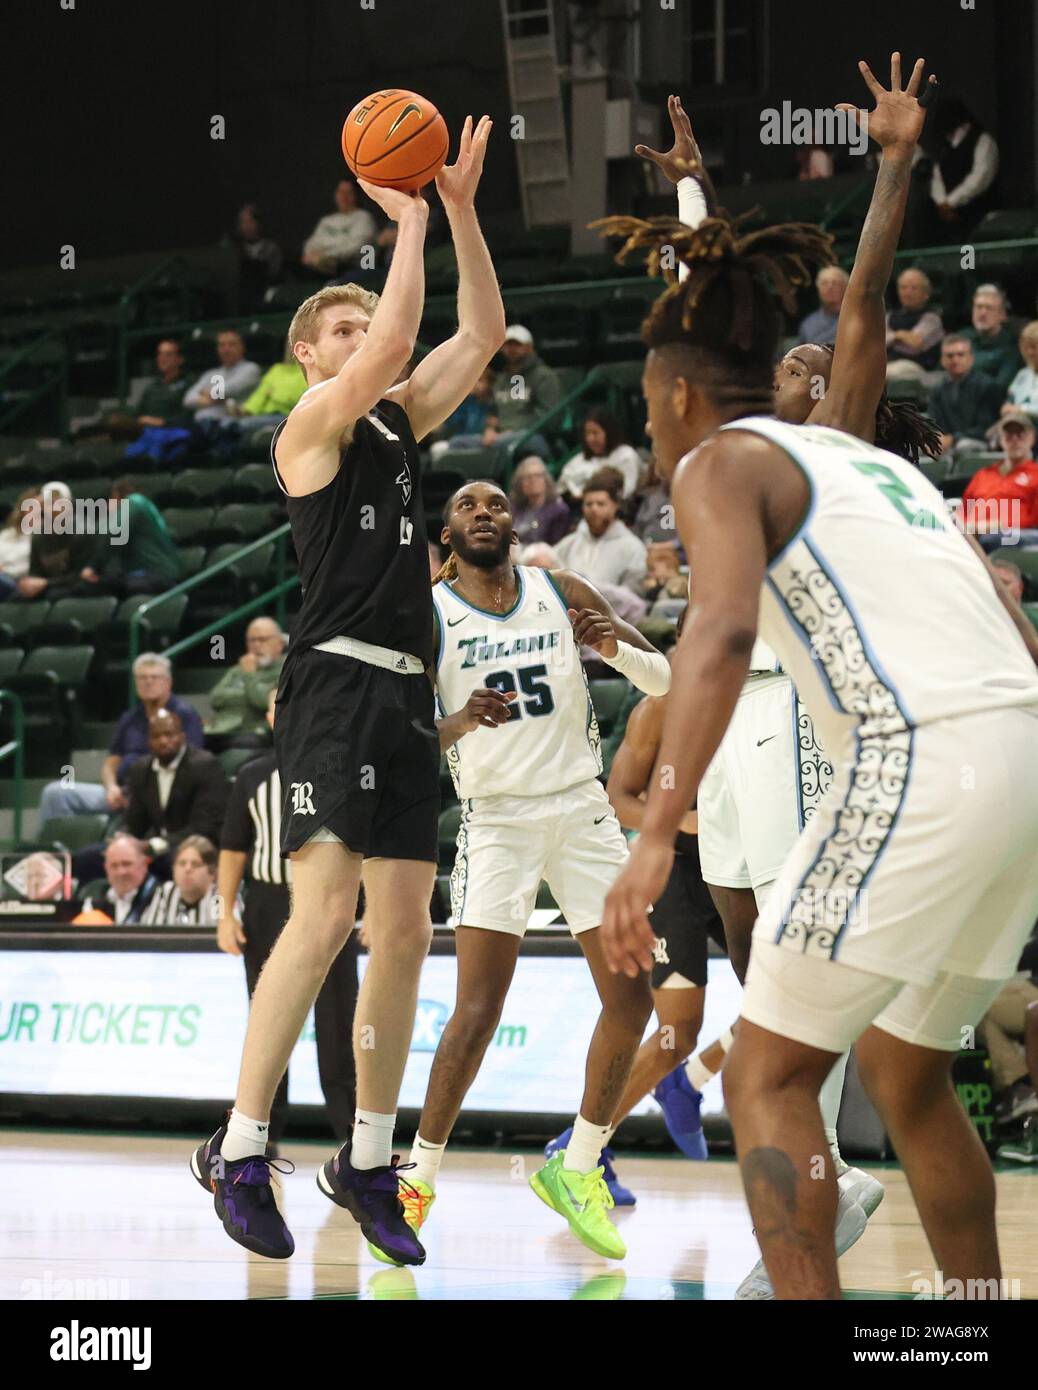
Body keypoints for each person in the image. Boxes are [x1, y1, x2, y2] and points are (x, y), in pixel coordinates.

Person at [599, 95, 1038, 1307]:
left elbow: (722, 632)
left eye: (648, 396)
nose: (648, 415)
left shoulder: (719, 462)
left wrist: (648, 834)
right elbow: (811, 312)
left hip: (918, 756)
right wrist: (886, 167)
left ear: (679, 402)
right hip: (1021, 755)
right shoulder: (857, 458)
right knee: (907, 1075)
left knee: (768, 1079)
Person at [632, 65, 942, 1296]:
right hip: (742, 726)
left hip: (820, 721)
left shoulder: (832, 450)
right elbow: (715, 295)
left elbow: (857, 301)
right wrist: (696, 188)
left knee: (817, 990)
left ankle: (835, 1195)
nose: (805, 370)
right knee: (764, 958)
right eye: (790, 366)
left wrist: (894, 165)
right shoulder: (731, 442)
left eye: (819, 371)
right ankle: (822, 1178)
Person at [189, 114, 506, 1268]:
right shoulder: (310, 427)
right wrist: (410, 218)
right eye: (344, 322)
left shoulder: (399, 426)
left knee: (406, 933)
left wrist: (460, 214)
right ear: (312, 356)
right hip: (331, 686)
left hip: (407, 697)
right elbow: (400, 343)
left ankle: (367, 1156)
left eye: (367, 313)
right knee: (323, 918)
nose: (365, 329)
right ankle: (238, 1141)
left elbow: (480, 330)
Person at [397, 479, 671, 1261]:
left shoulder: (561, 589)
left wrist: (613, 646)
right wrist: (458, 719)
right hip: (498, 820)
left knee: (632, 997)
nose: (483, 512)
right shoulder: (429, 616)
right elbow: (405, 737)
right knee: (477, 1009)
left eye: (494, 504)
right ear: (447, 534)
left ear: (512, 523)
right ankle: (417, 1175)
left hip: (583, 812)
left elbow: (667, 682)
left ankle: (577, 1166)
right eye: (465, 506)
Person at [544, 608, 727, 1200]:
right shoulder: (661, 706)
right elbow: (619, 794)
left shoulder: (757, 696)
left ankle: (689, 1084)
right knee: (678, 1029)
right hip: (674, 871)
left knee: (795, 986)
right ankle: (578, 1148)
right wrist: (683, 820)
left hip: (739, 867)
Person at [217, 686, 358, 1150]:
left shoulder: (338, 768)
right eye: (280, 707)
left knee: (340, 1021)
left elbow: (368, 843)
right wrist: (225, 913)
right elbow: (234, 848)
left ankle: (353, 1138)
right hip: (266, 904)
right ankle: (260, 1134)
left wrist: (373, 908)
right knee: (269, 1017)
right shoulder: (252, 776)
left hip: (327, 899)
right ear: (269, 717)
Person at [38, 653, 204, 825]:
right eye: (142, 678)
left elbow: (189, 765)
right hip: (119, 792)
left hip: (157, 797)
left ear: (168, 683)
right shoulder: (130, 718)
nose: (148, 682)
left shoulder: (183, 715)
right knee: (55, 793)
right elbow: (111, 762)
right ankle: (57, 850)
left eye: (155, 677)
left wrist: (142, 797)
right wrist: (111, 788)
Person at [116, 710, 229, 876]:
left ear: (182, 737)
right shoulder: (141, 769)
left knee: (162, 863)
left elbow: (204, 827)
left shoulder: (205, 766)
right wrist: (122, 838)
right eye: (156, 736)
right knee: (92, 858)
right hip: (157, 852)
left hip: (199, 850)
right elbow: (134, 820)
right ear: (148, 741)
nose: (163, 741)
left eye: (169, 735)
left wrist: (154, 845)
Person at [450, 326, 560, 462]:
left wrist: (513, 429)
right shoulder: (501, 380)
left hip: (532, 436)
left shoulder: (544, 376)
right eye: (508, 345)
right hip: (500, 437)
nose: (512, 349)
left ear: (530, 347)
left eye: (517, 345)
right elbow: (493, 412)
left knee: (502, 444)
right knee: (457, 443)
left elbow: (549, 417)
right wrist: (490, 429)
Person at [80, 479, 181, 597]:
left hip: (156, 575)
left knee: (93, 587)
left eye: (110, 500)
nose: (107, 506)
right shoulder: (142, 510)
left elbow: (112, 531)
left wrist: (93, 566)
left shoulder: (136, 501)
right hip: (145, 576)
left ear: (117, 495)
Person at [555, 468, 648, 591]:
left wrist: (589, 589)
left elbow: (634, 600)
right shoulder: (569, 544)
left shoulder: (633, 548)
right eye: (589, 504)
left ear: (616, 506)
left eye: (600, 504)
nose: (594, 509)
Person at [205, 617, 287, 747]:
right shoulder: (238, 669)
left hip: (255, 733)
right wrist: (248, 695)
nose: (256, 645)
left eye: (263, 639)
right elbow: (215, 698)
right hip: (221, 730)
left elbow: (263, 703)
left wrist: (250, 676)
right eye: (252, 640)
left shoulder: (287, 669)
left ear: (280, 644)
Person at [927, 95, 999, 235]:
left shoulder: (983, 141)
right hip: (947, 221)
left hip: (979, 218)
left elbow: (980, 176)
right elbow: (936, 176)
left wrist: (951, 202)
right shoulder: (944, 145)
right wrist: (942, 204)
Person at [17, 481, 97, 602]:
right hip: (49, 585)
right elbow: (34, 571)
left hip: (76, 585)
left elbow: (81, 574)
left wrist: (46, 583)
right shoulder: (39, 535)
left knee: (53, 596)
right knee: (17, 598)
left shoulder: (84, 531)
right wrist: (30, 583)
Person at [929, 335, 1005, 461]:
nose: (955, 360)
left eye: (960, 355)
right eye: (950, 356)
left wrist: (953, 438)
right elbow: (932, 422)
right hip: (946, 444)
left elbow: (986, 428)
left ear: (971, 359)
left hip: (978, 442)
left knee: (964, 446)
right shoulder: (938, 389)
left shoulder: (988, 386)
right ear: (942, 360)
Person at [961, 411, 1038, 533]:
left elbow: (1034, 520)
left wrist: (995, 526)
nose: (1015, 439)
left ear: (1032, 438)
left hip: (1010, 537)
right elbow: (964, 512)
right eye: (1009, 434)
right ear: (1001, 439)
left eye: (1020, 434)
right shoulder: (983, 475)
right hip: (971, 534)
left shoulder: (1035, 474)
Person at [225, 338, 307, 435]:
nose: (291, 349)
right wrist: (244, 411)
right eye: (289, 345)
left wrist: (274, 394)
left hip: (287, 417)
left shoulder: (307, 370)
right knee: (228, 424)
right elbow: (260, 395)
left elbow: (299, 399)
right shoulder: (277, 369)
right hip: (264, 416)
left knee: (240, 425)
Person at [557, 410, 642, 500]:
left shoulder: (626, 455)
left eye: (595, 433)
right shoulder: (578, 460)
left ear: (609, 432)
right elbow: (561, 488)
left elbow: (627, 491)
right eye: (587, 434)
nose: (590, 439)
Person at [183, 329, 262, 424]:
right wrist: (219, 399)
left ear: (242, 347)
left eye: (232, 344)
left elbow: (227, 389)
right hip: (203, 427)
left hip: (234, 426)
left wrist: (205, 393)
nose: (226, 349)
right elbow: (188, 400)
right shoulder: (211, 373)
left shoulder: (251, 368)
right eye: (222, 345)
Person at [301, 179, 377, 278]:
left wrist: (327, 255)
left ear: (356, 195)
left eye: (348, 192)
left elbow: (356, 247)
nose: (344, 196)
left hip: (352, 269)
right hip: (319, 269)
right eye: (340, 192)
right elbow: (312, 243)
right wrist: (311, 255)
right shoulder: (327, 221)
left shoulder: (364, 217)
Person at [142, 834, 221, 925]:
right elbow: (152, 933)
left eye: (196, 864)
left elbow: (222, 933)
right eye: (182, 864)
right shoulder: (165, 892)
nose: (187, 869)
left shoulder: (219, 896)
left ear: (211, 872)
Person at [82, 834, 161, 924]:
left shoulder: (161, 898)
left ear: (145, 864)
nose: (121, 872)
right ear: (106, 867)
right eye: (114, 866)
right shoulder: (94, 900)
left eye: (127, 864)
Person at [960, 285, 1022, 396]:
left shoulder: (1012, 346)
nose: (983, 313)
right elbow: (941, 374)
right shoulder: (961, 338)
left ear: (1002, 315)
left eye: (989, 308)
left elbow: (1000, 387)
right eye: (978, 307)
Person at [885, 267, 943, 383]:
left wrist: (892, 337)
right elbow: (877, 342)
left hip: (916, 368)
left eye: (914, 288)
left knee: (879, 376)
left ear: (926, 294)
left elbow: (915, 343)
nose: (908, 293)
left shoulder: (932, 318)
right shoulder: (889, 316)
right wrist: (900, 336)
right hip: (887, 363)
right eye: (904, 288)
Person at [509, 456, 570, 547]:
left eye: (537, 476)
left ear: (545, 480)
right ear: (520, 483)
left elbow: (555, 547)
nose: (532, 481)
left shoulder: (558, 510)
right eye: (527, 477)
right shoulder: (515, 507)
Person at [232, 203, 283, 310]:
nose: (247, 226)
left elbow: (273, 274)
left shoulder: (271, 249)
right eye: (243, 222)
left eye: (250, 221)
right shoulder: (234, 250)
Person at [0, 488, 38, 599]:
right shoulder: (7, 534)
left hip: (21, 582)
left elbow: (30, 568)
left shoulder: (44, 536)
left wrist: (6, 571)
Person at [798, 265, 848, 347]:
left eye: (835, 283)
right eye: (824, 283)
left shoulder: (858, 319)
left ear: (845, 287)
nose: (830, 287)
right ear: (818, 288)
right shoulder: (808, 324)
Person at [1004, 320, 1038, 425]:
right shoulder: (1022, 374)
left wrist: (1022, 410)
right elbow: (1010, 401)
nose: (1029, 352)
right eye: (1026, 347)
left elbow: (1019, 408)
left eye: (1034, 347)